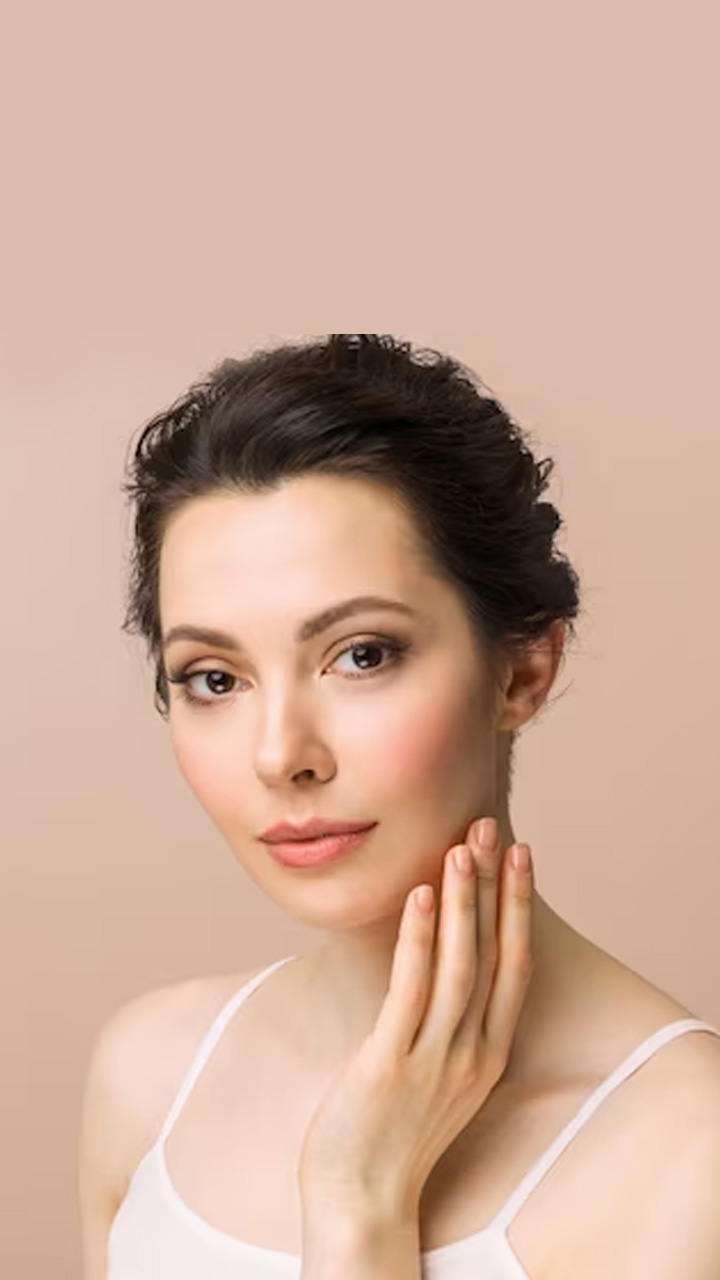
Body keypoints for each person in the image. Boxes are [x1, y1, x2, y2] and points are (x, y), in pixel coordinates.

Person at [78, 333, 720, 1279]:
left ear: (523, 671)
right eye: (214, 678)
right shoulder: (149, 1079)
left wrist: (360, 1202)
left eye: (361, 655)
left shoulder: (690, 1156)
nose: (281, 755)